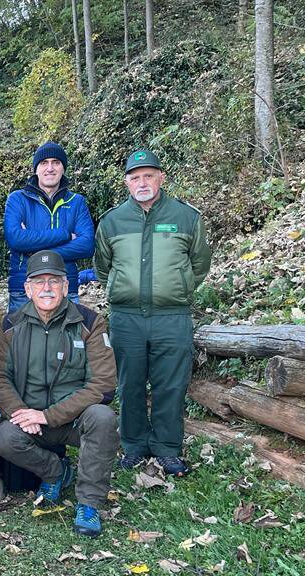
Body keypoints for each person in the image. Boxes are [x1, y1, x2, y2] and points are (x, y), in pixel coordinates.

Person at [94, 149, 212, 476]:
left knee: (170, 385)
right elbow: (103, 266)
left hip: (171, 317)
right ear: (126, 182)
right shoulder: (112, 221)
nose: (142, 182)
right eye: (135, 177)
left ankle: (167, 448)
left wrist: (180, 287)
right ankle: (133, 445)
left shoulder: (187, 217)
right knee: (129, 383)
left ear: (161, 177)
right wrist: (125, 290)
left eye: (149, 175)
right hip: (126, 318)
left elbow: (200, 262)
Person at [0, 250, 119, 537]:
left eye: (54, 281)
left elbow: (104, 384)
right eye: (39, 281)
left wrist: (47, 415)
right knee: (4, 437)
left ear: (66, 286)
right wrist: (21, 413)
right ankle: (56, 472)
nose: (46, 288)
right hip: (32, 423)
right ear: (27, 288)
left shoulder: (90, 322)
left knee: (103, 417)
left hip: (74, 421)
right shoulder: (12, 324)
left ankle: (89, 504)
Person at [3, 142, 94, 313]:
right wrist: (65, 234)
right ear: (36, 169)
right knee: (21, 340)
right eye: (44, 163)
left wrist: (34, 248)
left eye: (56, 162)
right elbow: (15, 239)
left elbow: (87, 245)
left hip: (66, 286)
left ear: (63, 168)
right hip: (24, 287)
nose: (50, 168)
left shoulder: (76, 202)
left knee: (67, 339)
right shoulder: (18, 199)